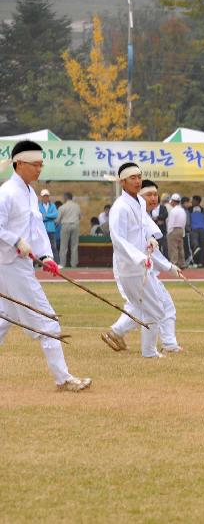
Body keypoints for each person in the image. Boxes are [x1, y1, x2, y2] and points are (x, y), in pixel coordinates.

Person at [0, 141, 91, 392]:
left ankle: (63, 378)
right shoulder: (6, 192)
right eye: (35, 164)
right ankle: (63, 379)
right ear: (19, 164)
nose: (40, 169)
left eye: (41, 164)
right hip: (11, 264)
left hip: (18, 264)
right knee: (48, 320)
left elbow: (36, 228)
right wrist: (15, 240)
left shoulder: (29, 193)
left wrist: (47, 256)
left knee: (4, 317)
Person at [105, 179, 184, 354]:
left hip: (144, 269)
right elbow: (128, 244)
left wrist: (167, 265)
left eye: (156, 194)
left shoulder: (143, 216)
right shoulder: (127, 210)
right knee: (148, 307)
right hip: (131, 268)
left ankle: (166, 343)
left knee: (156, 306)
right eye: (149, 194)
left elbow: (150, 247)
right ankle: (126, 336)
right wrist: (169, 267)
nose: (153, 198)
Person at [99, 162, 167, 358]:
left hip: (141, 264)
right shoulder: (119, 208)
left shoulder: (140, 202)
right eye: (133, 178)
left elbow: (144, 226)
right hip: (130, 267)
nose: (137, 181)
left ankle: (117, 332)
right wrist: (138, 257)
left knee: (141, 307)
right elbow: (118, 238)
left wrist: (151, 238)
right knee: (155, 308)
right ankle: (149, 352)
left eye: (139, 177)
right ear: (123, 182)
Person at [56, 192, 81, 268]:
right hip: (75, 224)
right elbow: (80, 217)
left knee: (64, 246)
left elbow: (58, 220)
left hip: (65, 225)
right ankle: (74, 264)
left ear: (65, 198)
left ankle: (62, 264)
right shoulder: (77, 206)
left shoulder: (62, 207)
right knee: (74, 246)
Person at [166, 193, 187, 268]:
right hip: (181, 230)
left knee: (173, 247)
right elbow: (184, 222)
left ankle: (174, 263)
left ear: (174, 202)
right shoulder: (182, 210)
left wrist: (169, 232)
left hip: (174, 230)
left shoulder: (173, 211)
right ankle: (182, 263)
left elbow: (171, 223)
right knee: (180, 248)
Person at [38, 188, 59, 261]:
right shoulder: (38, 206)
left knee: (53, 246)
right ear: (41, 197)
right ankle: (42, 263)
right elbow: (39, 216)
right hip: (42, 229)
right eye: (44, 196)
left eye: (47, 196)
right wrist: (49, 217)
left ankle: (56, 262)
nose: (45, 198)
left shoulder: (52, 206)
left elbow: (55, 215)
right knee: (41, 247)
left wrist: (45, 216)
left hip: (51, 229)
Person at [189, 195, 204, 267]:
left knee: (202, 246)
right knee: (195, 246)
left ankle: (201, 262)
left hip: (202, 231)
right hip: (193, 230)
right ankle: (194, 262)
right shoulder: (189, 209)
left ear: (197, 202)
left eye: (193, 200)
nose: (192, 202)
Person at [151, 192, 169, 256]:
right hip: (153, 231)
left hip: (162, 230)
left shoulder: (163, 207)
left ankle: (166, 260)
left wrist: (157, 218)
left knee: (165, 247)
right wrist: (156, 220)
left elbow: (165, 215)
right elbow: (149, 217)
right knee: (155, 246)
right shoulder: (150, 208)